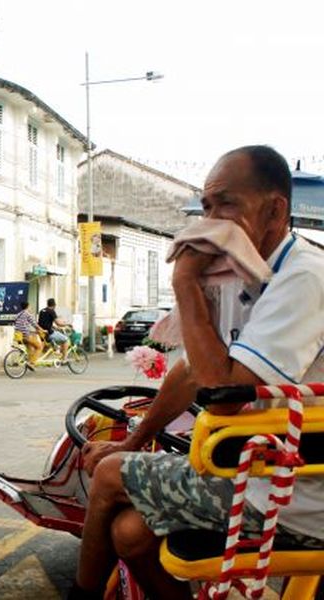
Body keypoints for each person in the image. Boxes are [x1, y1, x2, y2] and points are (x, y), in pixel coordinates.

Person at [70, 145, 324, 600]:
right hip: (248, 469)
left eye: (227, 204)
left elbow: (223, 395)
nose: (211, 221)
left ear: (274, 210)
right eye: (206, 207)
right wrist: (133, 437)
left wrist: (184, 282)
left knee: (109, 475)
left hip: (297, 491)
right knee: (130, 533)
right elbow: (191, 371)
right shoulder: (237, 272)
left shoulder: (305, 276)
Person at [14, 301, 44, 366]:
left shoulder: (18, 314)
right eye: (30, 306)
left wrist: (32, 331)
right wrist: (42, 330)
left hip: (19, 336)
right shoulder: (27, 314)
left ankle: (29, 362)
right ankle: (32, 363)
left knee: (30, 347)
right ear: (28, 306)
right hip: (26, 336)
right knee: (39, 347)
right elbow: (34, 324)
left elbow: (21, 325)